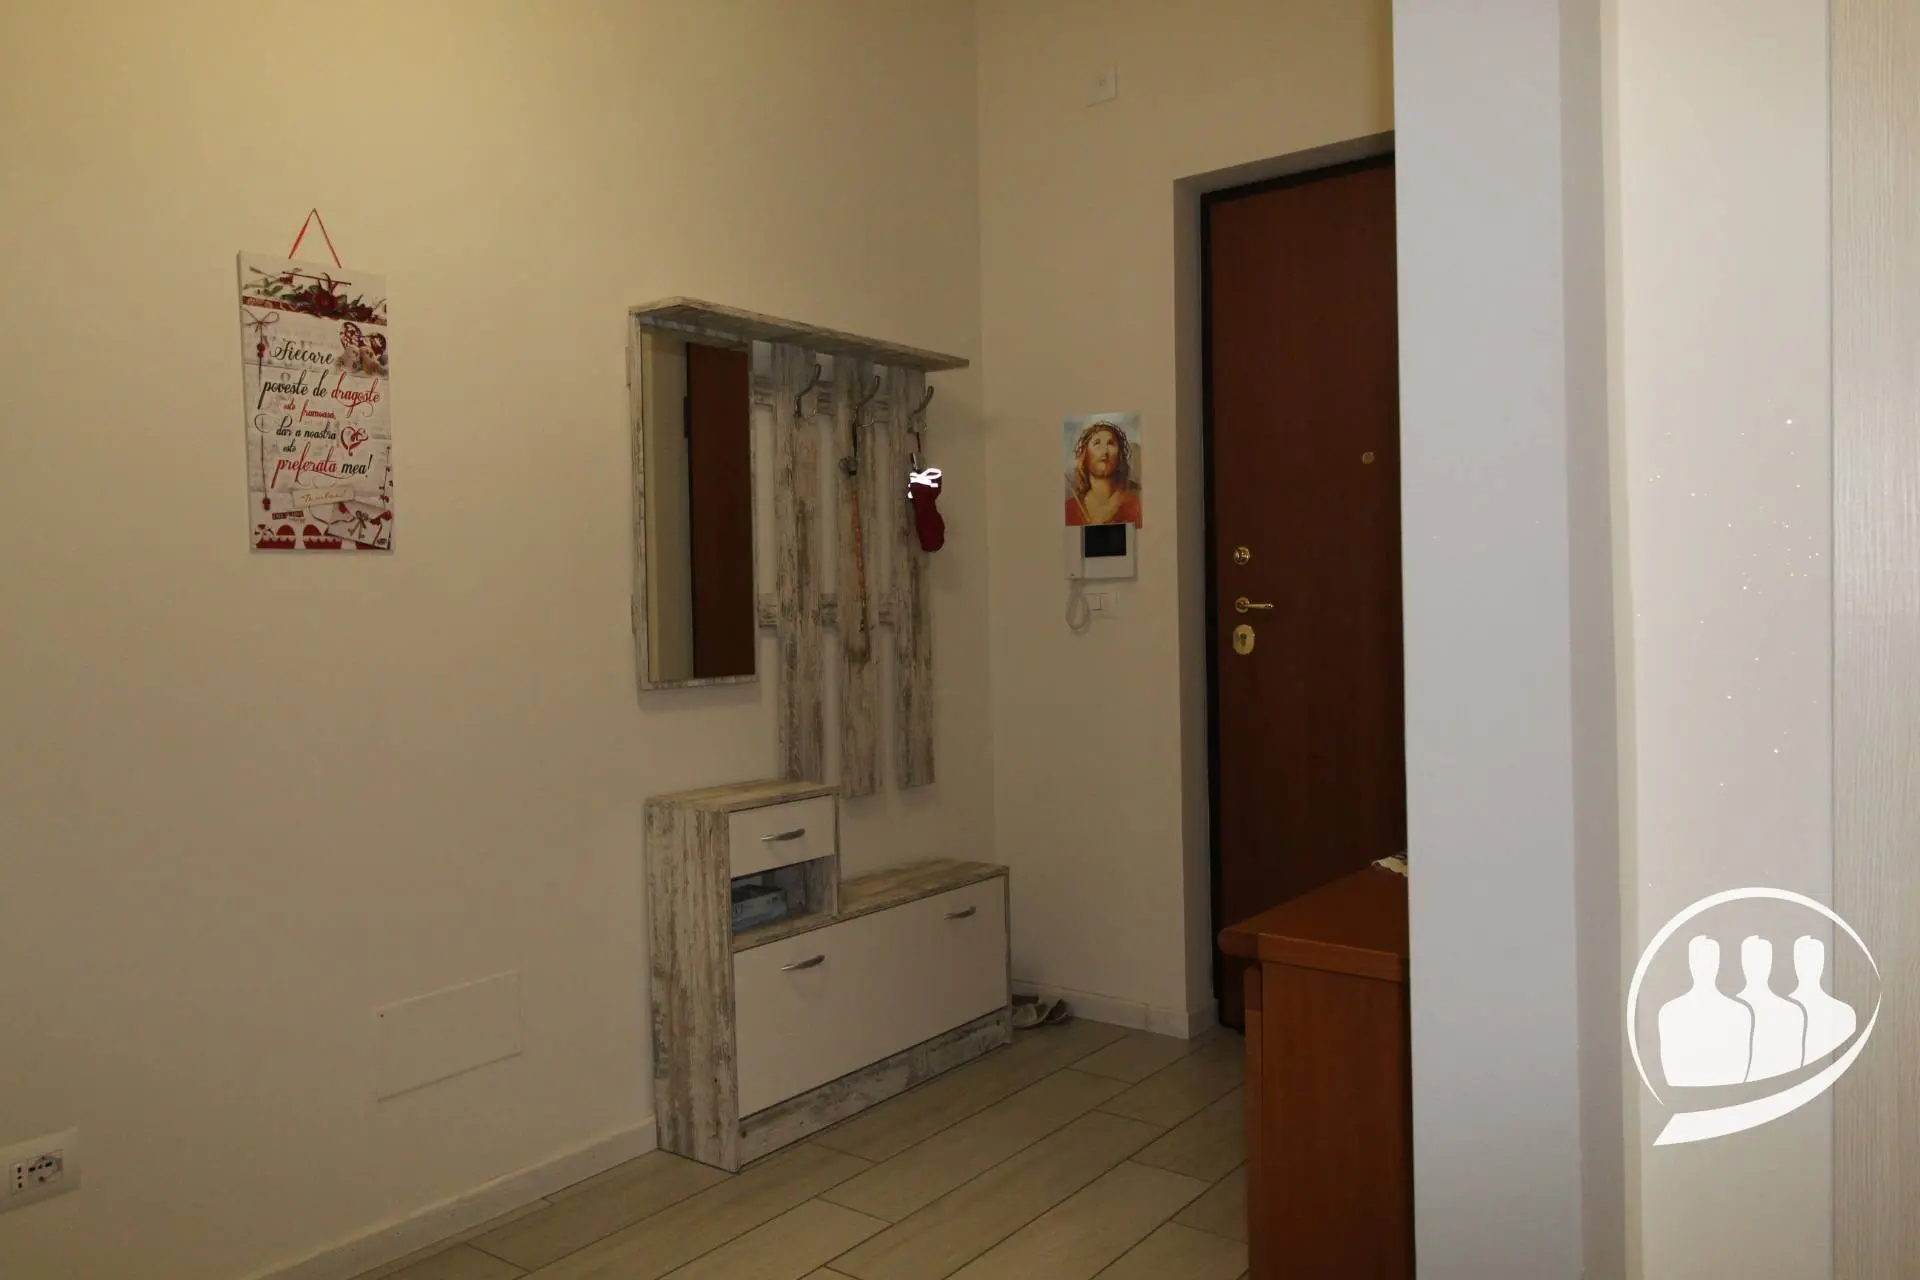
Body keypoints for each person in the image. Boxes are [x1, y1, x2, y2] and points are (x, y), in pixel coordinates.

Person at [1065, 421, 1142, 526]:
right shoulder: (1070, 509)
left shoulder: (1135, 505)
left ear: (1119, 456)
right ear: (1085, 455)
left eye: (1111, 443)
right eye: (1097, 443)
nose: (1105, 452)